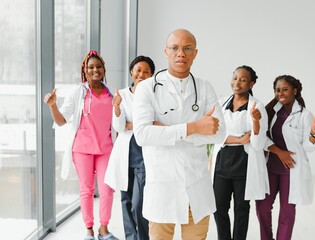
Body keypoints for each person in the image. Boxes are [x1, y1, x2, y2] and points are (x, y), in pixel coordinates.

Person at [132, 29, 226, 240]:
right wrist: (193, 127)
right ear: (166, 51)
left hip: (197, 186)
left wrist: (165, 130)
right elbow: (143, 135)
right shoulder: (147, 89)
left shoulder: (204, 88)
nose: (180, 53)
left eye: (187, 48)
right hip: (162, 186)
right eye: (175, 48)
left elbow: (219, 133)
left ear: (195, 53)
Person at [43, 50, 119, 240]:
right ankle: (89, 230)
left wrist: (119, 108)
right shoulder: (78, 92)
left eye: (98, 66)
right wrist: (53, 106)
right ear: (84, 70)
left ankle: (104, 228)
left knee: (107, 189)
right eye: (91, 67)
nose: (95, 70)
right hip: (82, 149)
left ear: (104, 69)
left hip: (106, 149)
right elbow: (61, 121)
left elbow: (118, 121)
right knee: (86, 190)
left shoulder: (112, 94)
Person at [255, 75, 315, 240]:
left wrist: (314, 133)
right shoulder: (270, 110)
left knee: (287, 212)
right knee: (262, 207)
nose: (280, 93)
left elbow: (307, 147)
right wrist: (279, 152)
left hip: (291, 170)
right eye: (277, 90)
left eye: (285, 89)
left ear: (295, 91)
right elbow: (262, 137)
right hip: (270, 166)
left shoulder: (304, 115)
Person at [211, 66, 269, 240]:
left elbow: (257, 143)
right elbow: (214, 134)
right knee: (219, 207)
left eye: (243, 80)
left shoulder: (256, 107)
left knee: (241, 209)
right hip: (222, 163)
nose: (237, 82)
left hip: (244, 165)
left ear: (251, 84)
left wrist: (256, 122)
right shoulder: (221, 102)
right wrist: (238, 139)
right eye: (235, 77)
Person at [105, 55, 155, 240]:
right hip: (126, 152)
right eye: (138, 70)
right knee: (125, 200)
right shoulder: (122, 95)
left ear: (151, 75)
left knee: (138, 203)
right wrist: (117, 109)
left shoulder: (154, 95)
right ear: (132, 72)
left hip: (145, 153)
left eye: (146, 71)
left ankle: (143, 238)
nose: (141, 74)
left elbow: (155, 124)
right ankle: (130, 238)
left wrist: (131, 124)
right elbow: (119, 126)